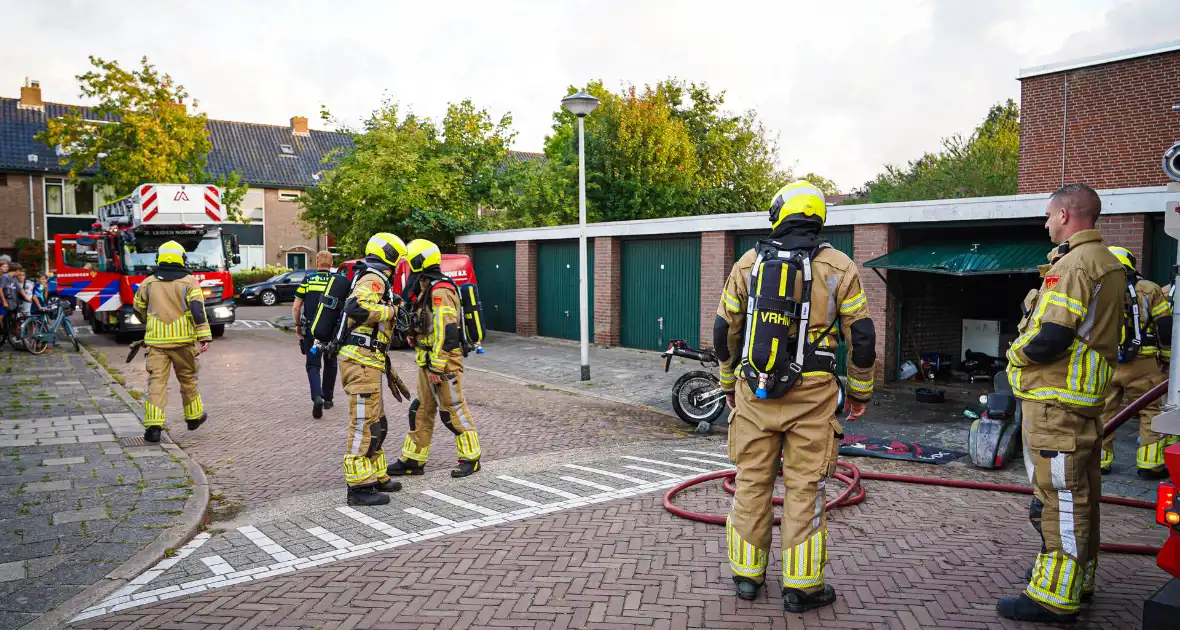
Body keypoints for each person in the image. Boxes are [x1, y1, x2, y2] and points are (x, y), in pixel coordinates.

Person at [713, 180, 876, 612]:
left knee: (751, 483)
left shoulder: (747, 262)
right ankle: (801, 589)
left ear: (779, 214)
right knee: (805, 488)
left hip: (755, 391)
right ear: (819, 217)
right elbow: (862, 336)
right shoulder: (841, 267)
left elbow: (722, 330)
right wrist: (859, 390)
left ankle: (747, 578)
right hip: (814, 394)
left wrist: (729, 382)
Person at [999, 184, 1123, 623]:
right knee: (1083, 495)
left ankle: (1053, 596)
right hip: (1083, 401)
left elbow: (1052, 335)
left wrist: (1014, 355)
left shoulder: (1073, 265)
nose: (1046, 223)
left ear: (1068, 215)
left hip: (1055, 402)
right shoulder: (1108, 264)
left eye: (1050, 216)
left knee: (1059, 498)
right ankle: (1079, 580)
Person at [387, 239, 483, 479]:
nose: (410, 265)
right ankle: (413, 460)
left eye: (412, 260)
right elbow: (427, 325)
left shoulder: (441, 289)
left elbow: (446, 331)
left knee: (453, 410)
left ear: (421, 260)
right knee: (421, 410)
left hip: (443, 363)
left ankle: (471, 458)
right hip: (426, 360)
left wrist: (438, 367)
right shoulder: (425, 287)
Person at [338, 233, 407, 507]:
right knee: (364, 424)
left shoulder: (374, 278)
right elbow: (356, 307)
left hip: (369, 360)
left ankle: (376, 475)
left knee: (377, 423)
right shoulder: (374, 278)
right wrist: (390, 312)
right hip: (361, 360)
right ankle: (358, 487)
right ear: (390, 255)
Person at [1099, 246, 1173, 478]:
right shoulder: (1150, 289)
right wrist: (1168, 358)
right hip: (1144, 365)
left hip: (1107, 365)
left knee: (1103, 412)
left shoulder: (1097, 289)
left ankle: (1100, 461)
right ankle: (1150, 465)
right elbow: (1165, 327)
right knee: (1151, 411)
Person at [133, 241, 212, 443]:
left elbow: (138, 308)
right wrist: (204, 336)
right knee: (188, 379)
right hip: (184, 342)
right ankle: (193, 417)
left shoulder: (148, 282)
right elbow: (197, 310)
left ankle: (153, 427)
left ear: (159, 258)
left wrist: (148, 322)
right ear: (182, 258)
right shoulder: (190, 282)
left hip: (156, 343)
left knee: (156, 384)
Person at [293, 251, 338, 419]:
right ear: (331, 263)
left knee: (313, 365)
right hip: (331, 332)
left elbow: (297, 306)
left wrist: (298, 325)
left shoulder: (308, 280)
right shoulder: (337, 282)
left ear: (317, 263)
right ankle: (328, 398)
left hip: (312, 331)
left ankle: (317, 396)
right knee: (331, 363)